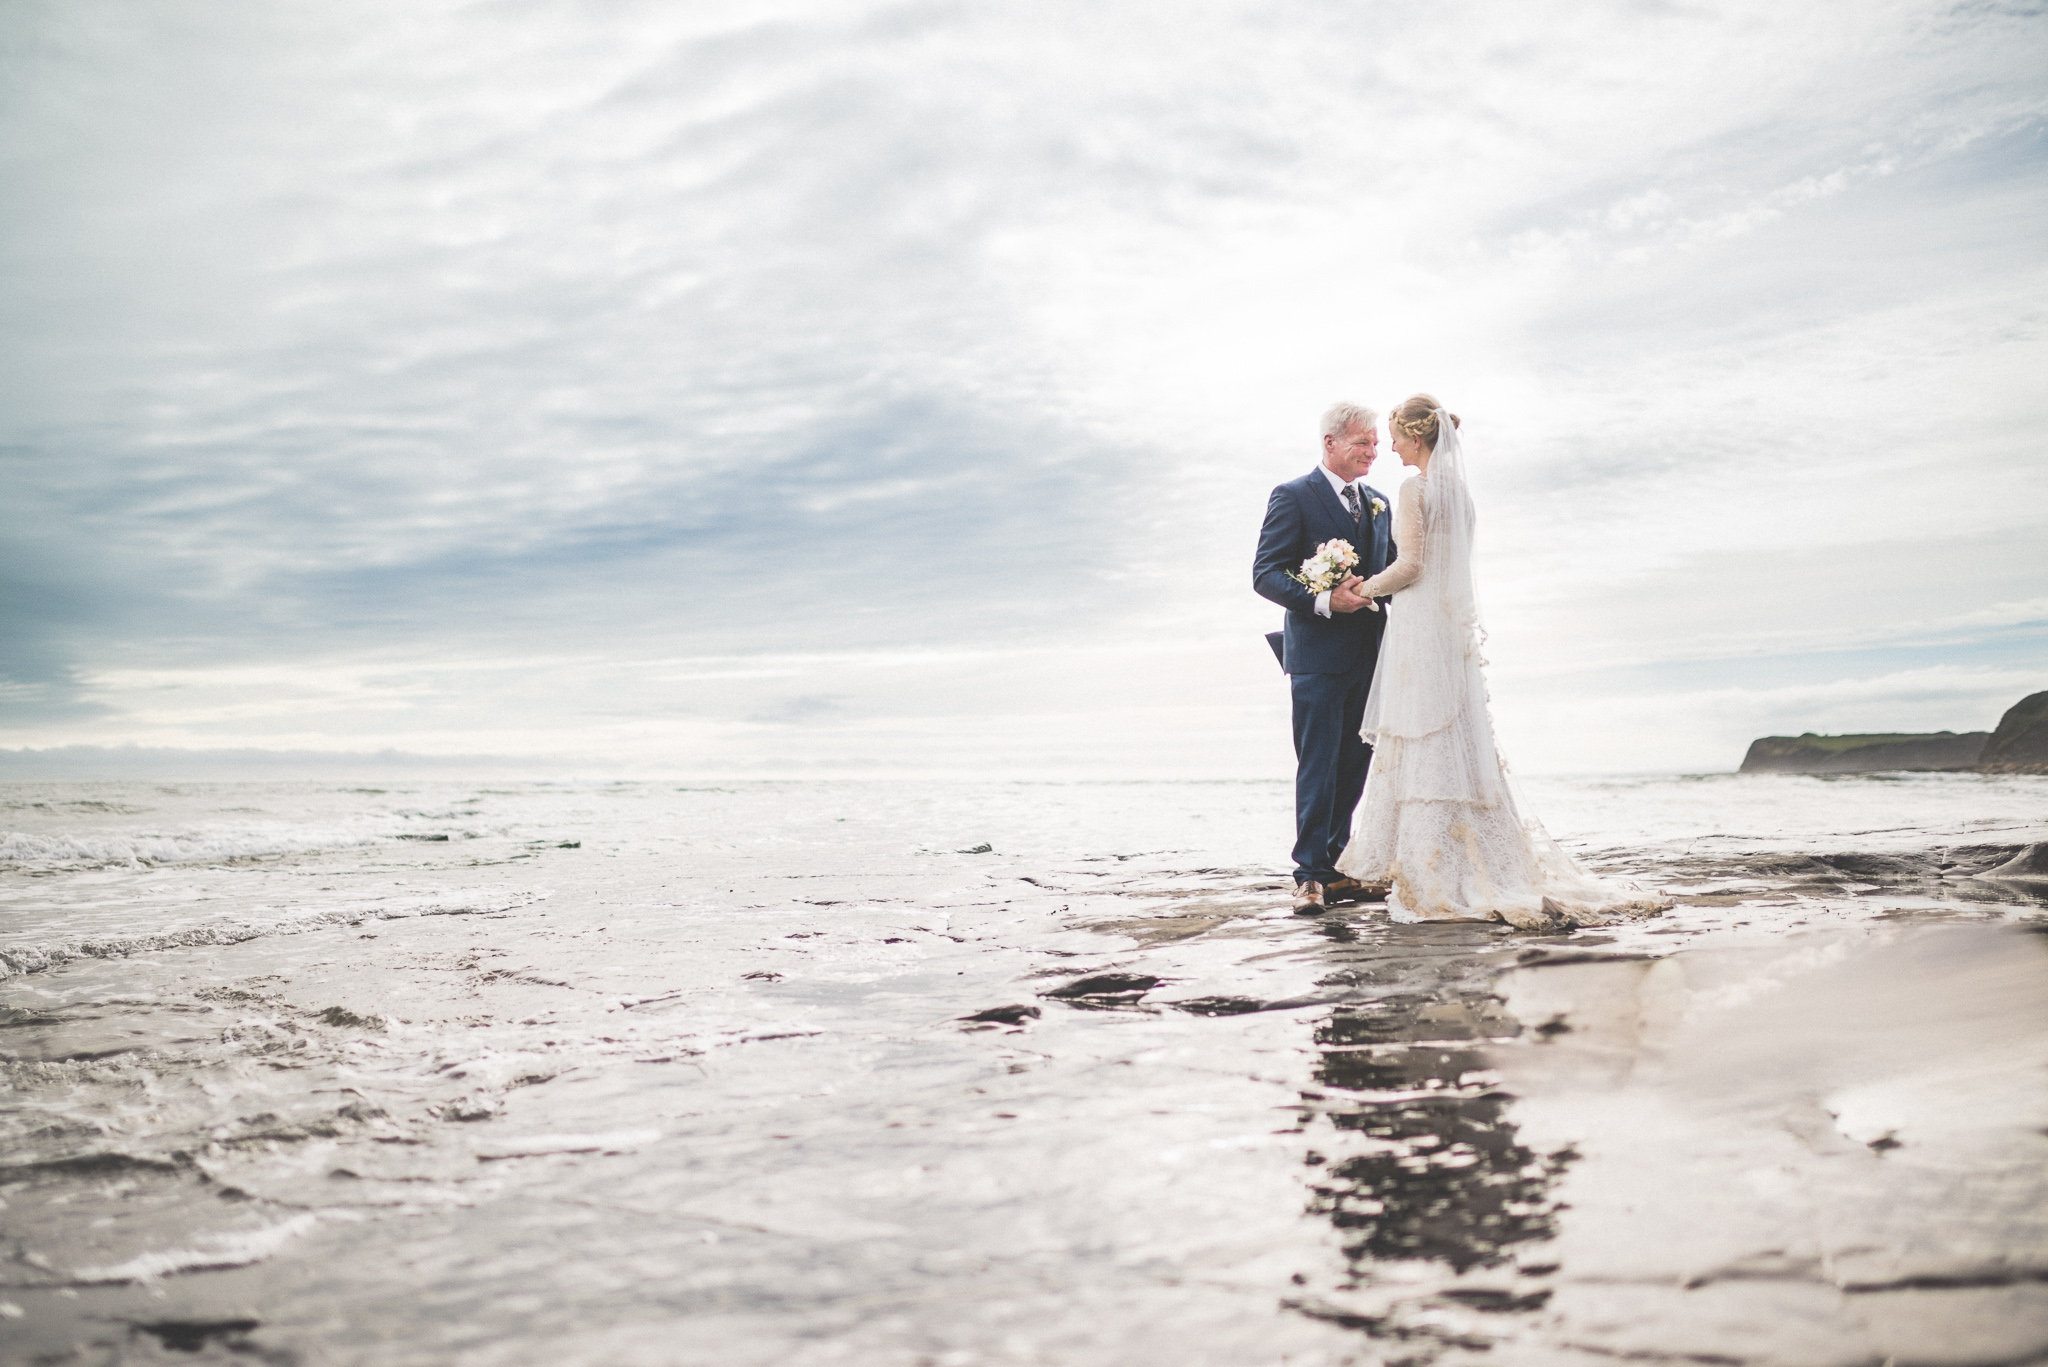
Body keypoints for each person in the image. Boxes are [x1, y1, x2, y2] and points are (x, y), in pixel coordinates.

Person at [1335, 395, 1667, 929]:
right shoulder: (1459, 493)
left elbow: (1412, 565)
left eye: (1394, 436)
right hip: (1447, 626)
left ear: (1415, 438)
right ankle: (1471, 857)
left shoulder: (1414, 487)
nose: (1390, 446)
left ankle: (1435, 869)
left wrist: (1364, 590)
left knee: (1424, 729)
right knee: (1455, 730)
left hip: (1422, 624)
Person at [1252, 402, 1396, 913]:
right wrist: (1324, 599)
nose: (1373, 452)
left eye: (1376, 443)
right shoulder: (1292, 496)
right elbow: (1266, 573)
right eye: (1363, 443)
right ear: (1330, 443)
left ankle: (1335, 866)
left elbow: (1393, 571)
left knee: (1356, 761)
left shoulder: (1379, 502)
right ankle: (1309, 874)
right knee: (1318, 763)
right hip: (1315, 655)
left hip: (1372, 656)